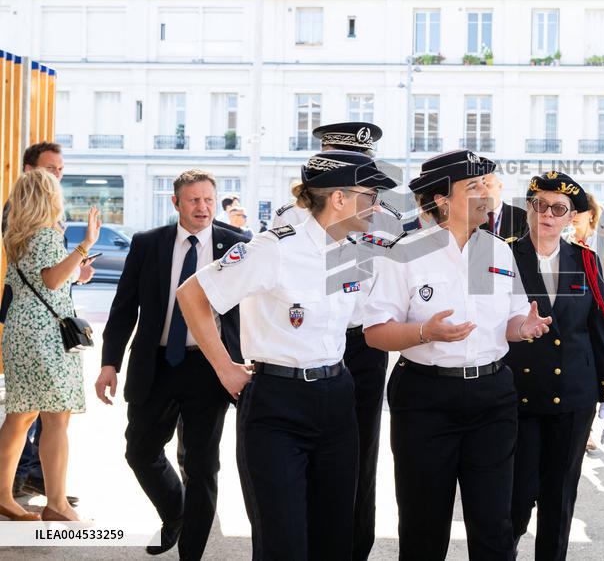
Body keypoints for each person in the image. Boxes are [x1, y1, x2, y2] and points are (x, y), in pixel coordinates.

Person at [177, 151, 398, 560]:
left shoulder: (353, 253)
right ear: (338, 199)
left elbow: (373, 322)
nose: (377, 208)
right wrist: (224, 367)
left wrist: (429, 331)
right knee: (283, 542)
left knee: (335, 539)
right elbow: (192, 293)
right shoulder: (273, 248)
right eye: (370, 197)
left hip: (336, 399)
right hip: (277, 405)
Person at [364, 149, 552, 560]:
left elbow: (509, 321)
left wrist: (525, 327)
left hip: (492, 397)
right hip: (426, 398)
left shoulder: (496, 251)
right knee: (423, 523)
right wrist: (423, 332)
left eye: (488, 184)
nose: (487, 193)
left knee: (493, 523)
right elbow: (376, 333)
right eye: (473, 187)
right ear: (442, 200)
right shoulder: (405, 253)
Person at [96, 170, 249, 558]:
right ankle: (176, 512)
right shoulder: (149, 244)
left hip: (210, 366)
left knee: (201, 465)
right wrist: (109, 362)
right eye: (194, 200)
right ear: (176, 203)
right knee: (140, 451)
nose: (203, 207)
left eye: (209, 200)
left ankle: (191, 553)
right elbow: (124, 306)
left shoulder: (236, 244)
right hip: (157, 362)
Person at [271, 120, 391, 561]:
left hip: (361, 345)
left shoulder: (386, 217)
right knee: (296, 462)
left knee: (360, 457)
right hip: (303, 344)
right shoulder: (289, 221)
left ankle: (353, 547)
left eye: (365, 165)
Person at [506, 171, 604, 560]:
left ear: (572, 216)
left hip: (573, 396)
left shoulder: (584, 260)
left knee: (559, 501)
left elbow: (601, 327)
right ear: (528, 208)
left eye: (558, 208)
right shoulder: (501, 255)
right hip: (517, 397)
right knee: (515, 500)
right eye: (539, 205)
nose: (547, 215)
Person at [0, 170, 96, 523]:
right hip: (44, 333)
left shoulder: (18, 235)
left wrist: (77, 272)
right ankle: (57, 504)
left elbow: (46, 279)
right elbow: (52, 279)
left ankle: (3, 496)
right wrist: (85, 245)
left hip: (20, 328)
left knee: (21, 415)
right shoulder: (46, 234)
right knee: (56, 418)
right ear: (48, 197)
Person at [482, 171, 529, 240]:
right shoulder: (471, 219)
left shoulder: (522, 217)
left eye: (488, 185)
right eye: (480, 187)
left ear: (500, 186)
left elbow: (527, 248)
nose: (483, 191)